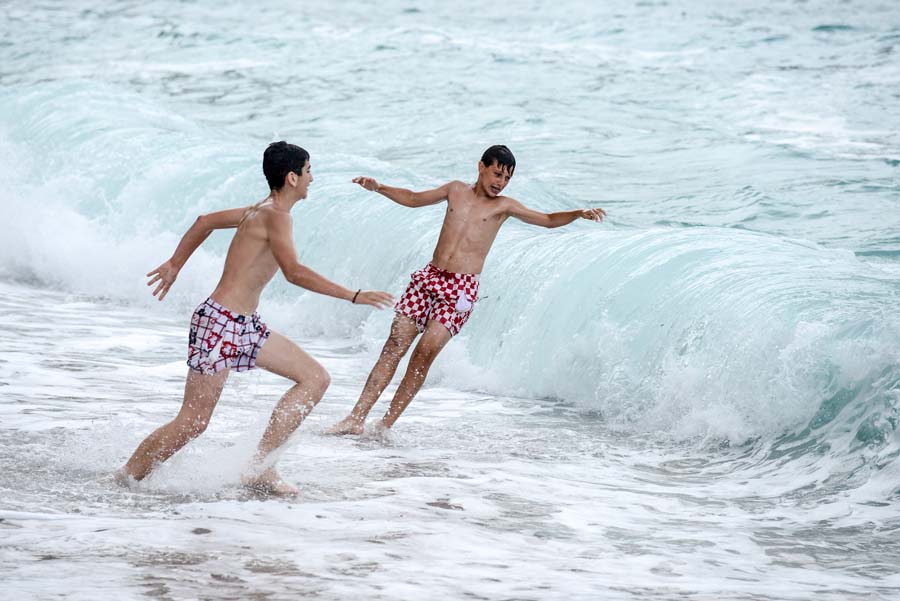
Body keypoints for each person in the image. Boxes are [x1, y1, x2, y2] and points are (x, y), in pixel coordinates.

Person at [118, 141, 393, 496]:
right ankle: (126, 476)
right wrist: (353, 295)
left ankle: (260, 467)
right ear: (292, 177)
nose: (313, 178)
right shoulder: (276, 216)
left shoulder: (259, 210)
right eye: (309, 171)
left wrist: (175, 264)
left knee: (314, 378)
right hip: (220, 323)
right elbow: (293, 272)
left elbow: (205, 222)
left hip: (243, 325)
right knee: (193, 422)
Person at [326, 145, 605, 436]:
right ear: (481, 166)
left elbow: (547, 220)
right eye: (497, 173)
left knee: (423, 355)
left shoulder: (504, 206)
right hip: (428, 279)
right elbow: (412, 198)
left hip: (460, 290)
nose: (500, 182)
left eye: (507, 178)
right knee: (394, 345)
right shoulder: (455, 190)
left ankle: (384, 426)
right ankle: (355, 419)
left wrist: (578, 213)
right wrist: (379, 187)